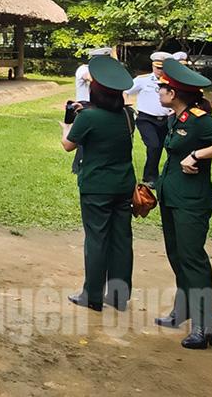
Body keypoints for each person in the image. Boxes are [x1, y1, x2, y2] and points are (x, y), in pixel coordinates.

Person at [154, 57, 212, 349]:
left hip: (192, 201)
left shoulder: (199, 120)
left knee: (193, 260)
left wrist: (198, 155)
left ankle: (206, 323)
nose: (159, 92)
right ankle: (183, 310)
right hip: (171, 196)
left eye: (162, 89)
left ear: (174, 94)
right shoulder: (175, 118)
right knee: (177, 256)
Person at [61, 53, 136, 312]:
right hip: (124, 184)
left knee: (96, 239)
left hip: (96, 186)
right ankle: (118, 295)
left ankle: (91, 294)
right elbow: (112, 116)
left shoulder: (88, 118)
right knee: (122, 239)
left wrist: (65, 126)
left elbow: (68, 145)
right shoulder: (129, 116)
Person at [127, 51, 174, 183]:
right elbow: (125, 90)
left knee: (164, 147)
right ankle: (150, 177)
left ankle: (158, 176)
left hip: (165, 119)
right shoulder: (143, 80)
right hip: (146, 119)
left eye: (163, 68)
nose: (160, 71)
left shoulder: (171, 82)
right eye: (158, 68)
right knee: (153, 145)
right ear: (153, 66)